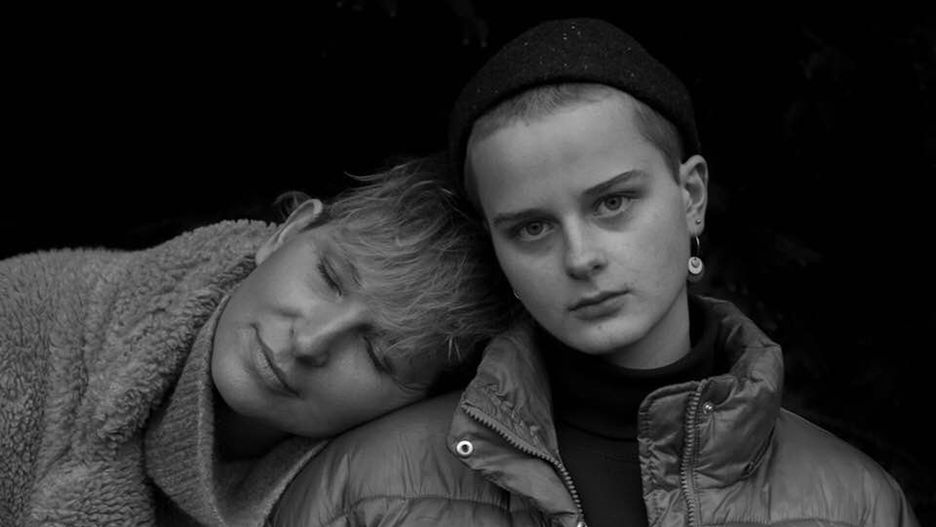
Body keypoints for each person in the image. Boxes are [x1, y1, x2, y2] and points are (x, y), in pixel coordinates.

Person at [272, 18, 920, 526]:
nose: (580, 257)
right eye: (531, 228)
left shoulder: (856, 503)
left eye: (613, 203)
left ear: (692, 197)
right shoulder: (362, 487)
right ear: (496, 247)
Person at [0, 156, 514, 526]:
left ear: (414, 407)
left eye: (379, 356)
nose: (310, 340)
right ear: (288, 232)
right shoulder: (23, 317)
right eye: (329, 277)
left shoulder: (364, 497)